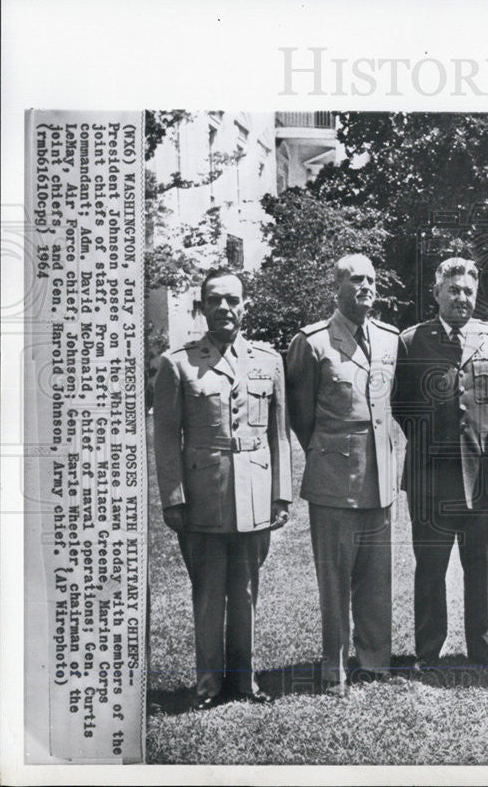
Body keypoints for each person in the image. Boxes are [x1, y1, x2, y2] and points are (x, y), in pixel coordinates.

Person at [153, 267, 292, 710]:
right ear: (202, 306)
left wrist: (281, 493)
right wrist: (174, 499)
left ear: (244, 305)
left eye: (232, 300)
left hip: (254, 492)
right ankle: (209, 685)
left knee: (247, 587)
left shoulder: (269, 361)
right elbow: (166, 438)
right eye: (214, 300)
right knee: (209, 589)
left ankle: (245, 682)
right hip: (204, 494)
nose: (224, 308)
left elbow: (279, 434)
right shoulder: (179, 363)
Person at [286, 254, 399, 690]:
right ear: (336, 287)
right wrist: (331, 454)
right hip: (334, 478)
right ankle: (334, 668)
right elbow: (301, 416)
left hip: (380, 476)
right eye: (356, 279)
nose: (366, 286)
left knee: (376, 574)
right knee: (334, 577)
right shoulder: (313, 342)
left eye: (371, 279)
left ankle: (375, 662)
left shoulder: (390, 340)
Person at [393, 257, 488, 671]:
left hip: (484, 472)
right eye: (454, 290)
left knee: (478, 564)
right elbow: (401, 405)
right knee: (431, 565)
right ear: (437, 292)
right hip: (430, 474)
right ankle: (428, 651)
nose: (461, 297)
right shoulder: (411, 341)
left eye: (468, 291)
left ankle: (480, 646)